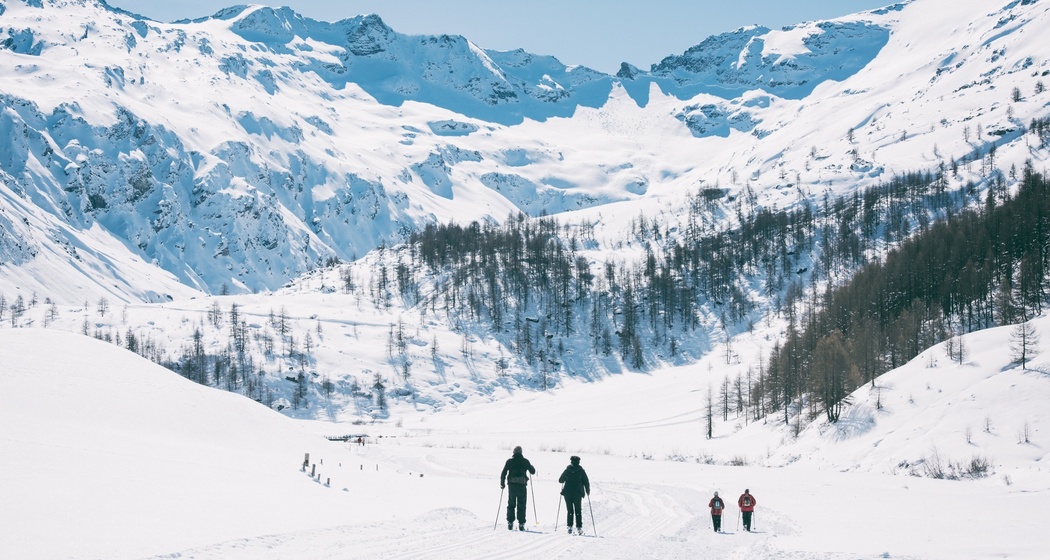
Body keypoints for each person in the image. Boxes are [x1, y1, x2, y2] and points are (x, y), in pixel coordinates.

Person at [500, 446, 536, 530]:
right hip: (522, 486)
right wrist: (532, 466)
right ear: (521, 452)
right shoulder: (525, 461)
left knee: (511, 504)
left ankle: (510, 522)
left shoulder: (510, 461)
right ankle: (521, 523)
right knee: (522, 504)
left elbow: (503, 473)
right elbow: (533, 472)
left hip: (512, 486)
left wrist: (502, 483)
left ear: (514, 452)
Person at [557, 455, 590, 535]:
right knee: (578, 510)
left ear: (571, 461)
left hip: (567, 493)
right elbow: (586, 481)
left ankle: (570, 527)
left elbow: (560, 480)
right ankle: (579, 527)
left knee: (570, 510)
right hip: (577, 493)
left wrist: (566, 479)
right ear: (579, 462)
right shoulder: (581, 471)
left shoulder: (567, 470)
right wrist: (587, 490)